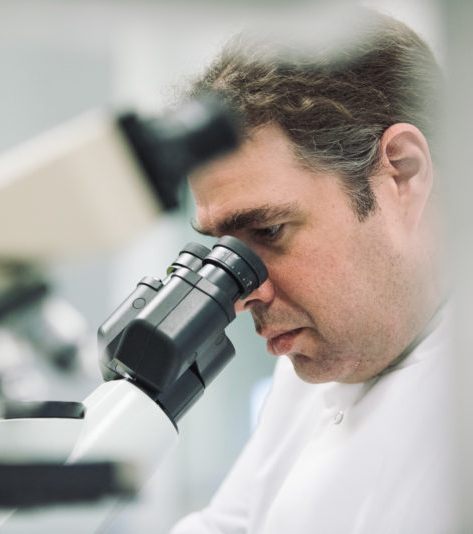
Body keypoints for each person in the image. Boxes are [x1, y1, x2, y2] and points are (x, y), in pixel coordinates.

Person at [169, 8, 458, 533]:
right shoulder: (312, 363)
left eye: (270, 231)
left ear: (401, 174)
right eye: (224, 249)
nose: (239, 295)